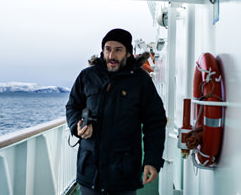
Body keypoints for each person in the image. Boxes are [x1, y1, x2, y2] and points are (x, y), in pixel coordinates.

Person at [66, 28, 166, 195]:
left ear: (128, 53)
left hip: (123, 173)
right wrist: (77, 126)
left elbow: (155, 121)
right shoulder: (87, 76)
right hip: (90, 171)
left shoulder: (140, 81)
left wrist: (152, 161)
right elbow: (72, 107)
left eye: (118, 50)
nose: (111, 55)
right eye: (108, 49)